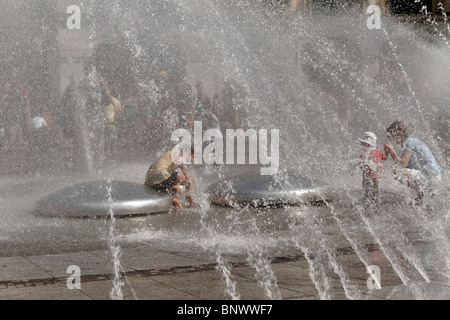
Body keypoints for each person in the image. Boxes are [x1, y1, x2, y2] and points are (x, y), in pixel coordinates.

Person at [384, 121, 442, 206]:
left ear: (399, 132)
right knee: (404, 170)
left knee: (397, 172)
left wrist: (392, 151)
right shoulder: (412, 140)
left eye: (393, 134)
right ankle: (423, 193)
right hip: (436, 175)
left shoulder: (409, 142)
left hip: (429, 176)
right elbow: (407, 165)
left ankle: (421, 192)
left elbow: (402, 165)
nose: (392, 137)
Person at [357, 132, 388, 213]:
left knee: (368, 194)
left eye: (362, 141)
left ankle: (369, 209)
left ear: (367, 142)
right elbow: (385, 157)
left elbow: (361, 163)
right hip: (377, 177)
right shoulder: (377, 151)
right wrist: (387, 150)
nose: (360, 143)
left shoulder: (365, 152)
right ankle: (376, 209)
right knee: (376, 193)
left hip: (368, 177)